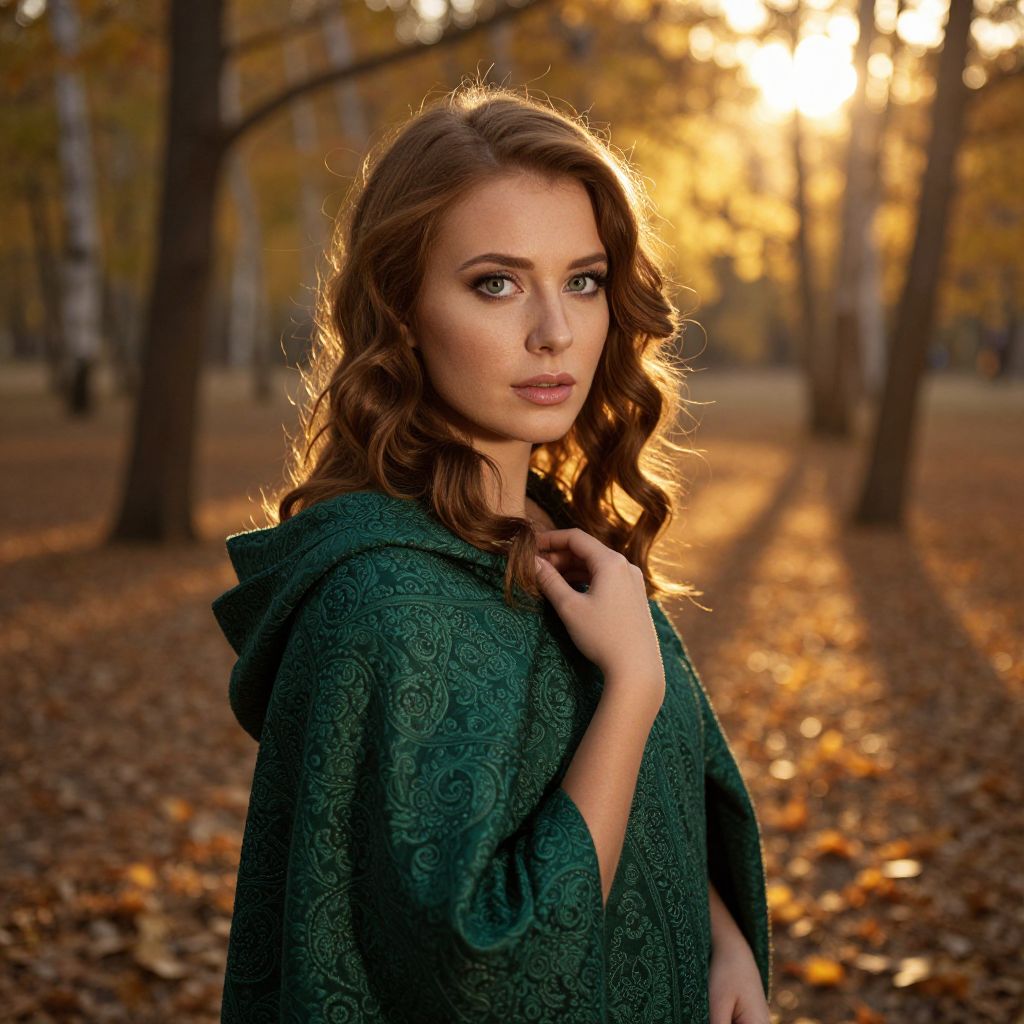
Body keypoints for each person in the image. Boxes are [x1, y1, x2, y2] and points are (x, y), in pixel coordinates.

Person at [212, 81, 773, 1024]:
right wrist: (632, 688)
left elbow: (658, 792)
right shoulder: (384, 601)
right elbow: (488, 971)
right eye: (497, 284)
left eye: (583, 280)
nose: (555, 331)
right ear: (401, 308)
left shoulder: (570, 541)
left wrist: (717, 933)